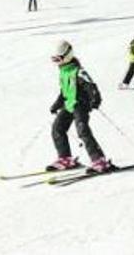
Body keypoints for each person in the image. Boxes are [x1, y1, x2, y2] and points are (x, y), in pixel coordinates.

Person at [47, 40, 111, 173]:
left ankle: (99, 161)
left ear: (67, 56)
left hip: (80, 104)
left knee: (83, 131)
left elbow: (91, 86)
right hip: (68, 104)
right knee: (57, 129)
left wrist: (95, 99)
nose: (56, 63)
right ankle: (65, 158)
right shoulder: (63, 72)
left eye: (58, 59)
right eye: (54, 60)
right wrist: (57, 104)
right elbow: (64, 91)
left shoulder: (79, 71)